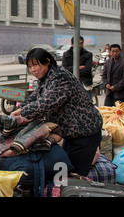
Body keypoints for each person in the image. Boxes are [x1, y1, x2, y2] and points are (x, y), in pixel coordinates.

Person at [11, 48, 103, 176]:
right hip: (71, 133)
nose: (33, 70)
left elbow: (46, 103)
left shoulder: (60, 77)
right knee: (65, 169)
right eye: (30, 66)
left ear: (48, 61)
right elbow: (36, 97)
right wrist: (18, 109)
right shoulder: (46, 78)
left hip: (84, 132)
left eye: (36, 65)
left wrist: (23, 113)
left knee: (75, 174)